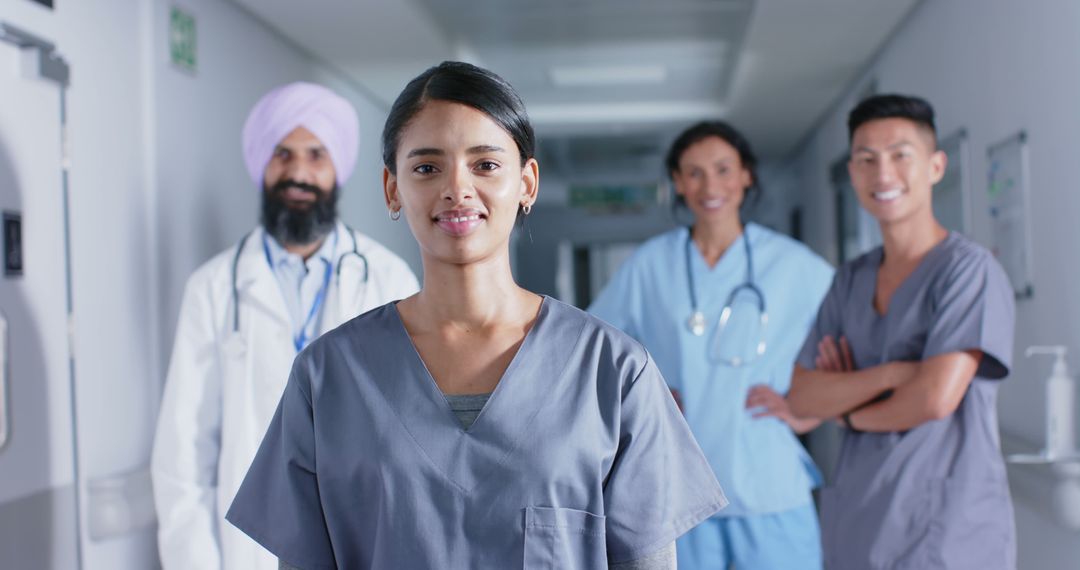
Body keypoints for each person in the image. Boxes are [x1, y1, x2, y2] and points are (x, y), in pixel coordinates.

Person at [225, 61, 727, 570]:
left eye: (485, 165)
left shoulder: (613, 371)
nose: (457, 189)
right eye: (426, 168)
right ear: (392, 188)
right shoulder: (328, 375)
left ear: (527, 182)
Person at [151, 82, 420, 570]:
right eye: (283, 154)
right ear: (262, 165)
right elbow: (183, 453)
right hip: (247, 549)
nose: (298, 172)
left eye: (316, 154)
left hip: (360, 541)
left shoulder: (387, 279)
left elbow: (410, 437)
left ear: (337, 168)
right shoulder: (212, 289)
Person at [589, 121, 834, 570]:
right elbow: (592, 348)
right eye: (694, 173)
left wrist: (809, 409)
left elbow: (849, 344)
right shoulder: (650, 264)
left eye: (723, 169)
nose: (710, 186)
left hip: (768, 485)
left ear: (746, 176)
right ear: (679, 183)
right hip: (678, 485)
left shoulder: (794, 265)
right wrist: (644, 397)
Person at [788, 94, 1016, 570]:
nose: (882, 174)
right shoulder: (849, 280)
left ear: (935, 166)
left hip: (946, 530)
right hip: (858, 524)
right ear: (852, 173)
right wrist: (893, 374)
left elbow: (934, 399)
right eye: (866, 160)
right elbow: (803, 398)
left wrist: (847, 409)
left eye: (899, 156)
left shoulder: (967, 271)